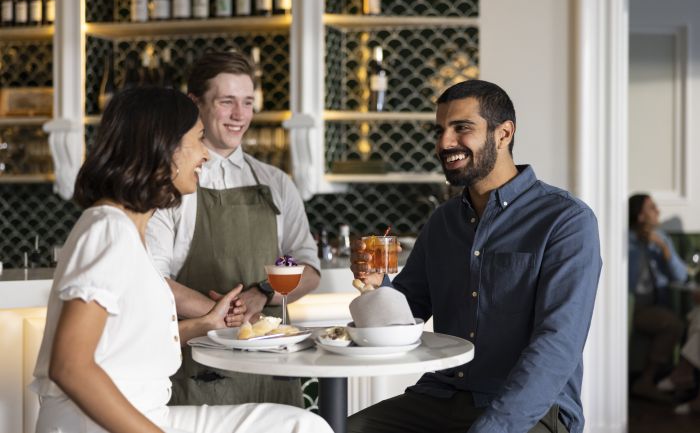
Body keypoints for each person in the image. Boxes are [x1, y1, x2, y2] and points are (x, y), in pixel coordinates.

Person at [30, 87, 332, 433]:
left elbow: (124, 342)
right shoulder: (108, 230)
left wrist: (205, 324)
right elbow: (69, 367)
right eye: (199, 139)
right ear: (163, 148)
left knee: (300, 425)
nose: (205, 154)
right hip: (99, 426)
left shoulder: (127, 231)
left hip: (147, 415)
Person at [348, 79, 602, 433]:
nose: (444, 143)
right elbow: (406, 315)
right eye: (440, 131)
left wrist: (493, 428)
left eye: (461, 128)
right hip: (441, 395)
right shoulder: (442, 222)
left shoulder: (566, 221)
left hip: (530, 408)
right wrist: (377, 291)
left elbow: (557, 344)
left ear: (504, 134)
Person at [146, 51, 320, 407]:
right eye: (227, 102)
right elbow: (151, 278)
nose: (240, 115)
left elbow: (308, 266)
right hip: (199, 367)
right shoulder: (170, 184)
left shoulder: (275, 183)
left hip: (272, 369)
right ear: (196, 103)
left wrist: (263, 293)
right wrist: (224, 314)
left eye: (247, 103)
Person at [627, 193, 689, 401]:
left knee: (676, 323)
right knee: (673, 324)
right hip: (631, 309)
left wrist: (663, 249)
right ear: (640, 216)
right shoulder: (626, 241)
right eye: (652, 208)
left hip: (655, 306)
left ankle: (654, 380)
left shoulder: (661, 238)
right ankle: (646, 381)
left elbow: (681, 275)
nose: (658, 211)